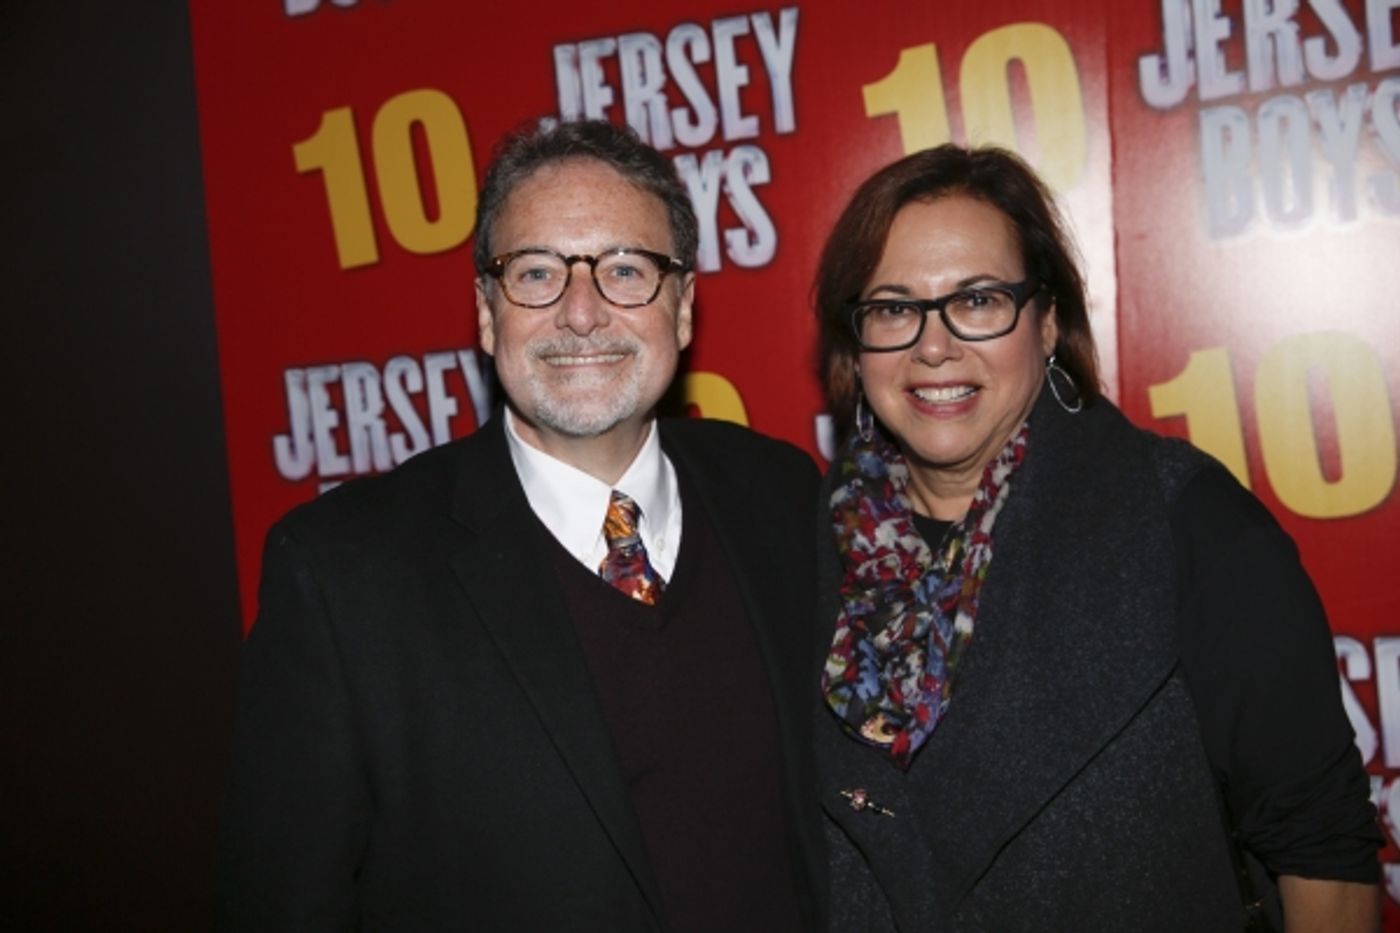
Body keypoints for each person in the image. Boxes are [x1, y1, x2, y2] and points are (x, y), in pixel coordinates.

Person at [215, 119, 824, 931]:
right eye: (536, 272)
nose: (581, 312)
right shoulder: (342, 576)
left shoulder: (781, 494)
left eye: (624, 269)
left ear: (681, 310)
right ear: (487, 312)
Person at [811, 144, 1381, 932]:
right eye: (893, 308)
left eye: (978, 300)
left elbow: (1327, 862)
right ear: (856, 343)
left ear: (1047, 323)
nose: (932, 345)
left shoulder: (1184, 521)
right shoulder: (802, 546)